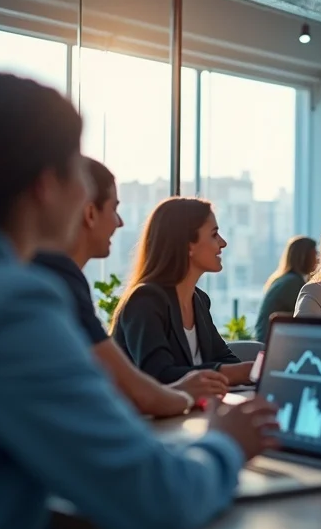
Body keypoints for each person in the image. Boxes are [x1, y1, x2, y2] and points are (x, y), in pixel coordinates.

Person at [0, 72, 277, 529]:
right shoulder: (10, 305)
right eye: (78, 172)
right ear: (47, 185)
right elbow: (156, 501)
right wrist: (227, 443)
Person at [34, 159, 229, 417]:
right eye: (114, 208)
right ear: (90, 213)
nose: (120, 222)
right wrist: (185, 395)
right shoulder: (56, 284)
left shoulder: (59, 280)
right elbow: (142, 391)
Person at [110, 198, 255, 386]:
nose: (223, 243)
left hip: (188, 411)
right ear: (188, 245)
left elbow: (223, 358)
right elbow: (157, 374)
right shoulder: (145, 301)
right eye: (214, 234)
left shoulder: (199, 300)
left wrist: (257, 370)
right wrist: (234, 373)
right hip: (144, 415)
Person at [255, 235, 317, 341]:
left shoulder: (285, 279)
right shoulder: (293, 283)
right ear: (305, 257)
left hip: (269, 340)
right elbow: (304, 320)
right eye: (315, 254)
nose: (318, 259)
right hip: (272, 343)